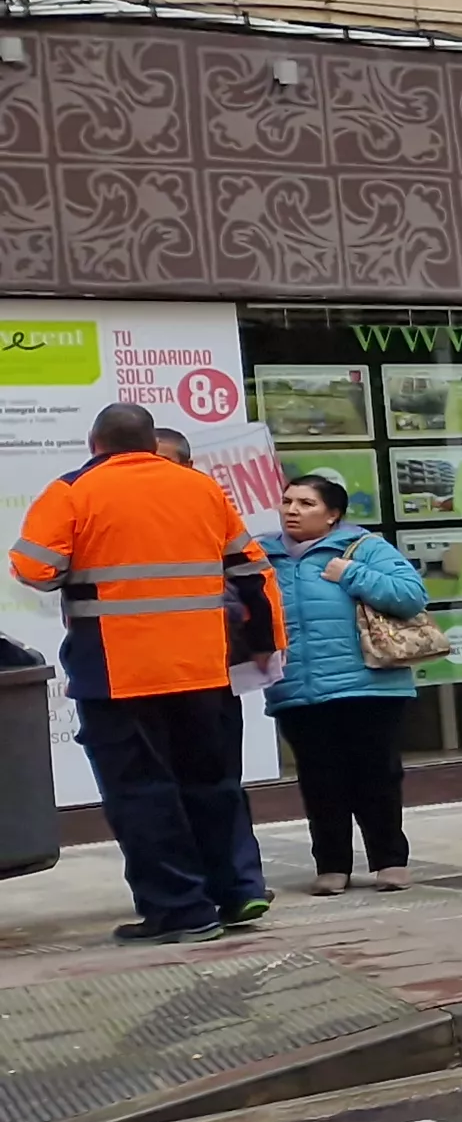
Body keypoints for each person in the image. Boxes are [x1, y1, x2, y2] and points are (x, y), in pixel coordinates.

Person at [13, 403, 281, 942]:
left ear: (96, 443)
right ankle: (235, 892)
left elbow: (34, 567)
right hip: (203, 670)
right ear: (148, 441)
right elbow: (253, 572)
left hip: (119, 673)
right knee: (212, 783)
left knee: (142, 794)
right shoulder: (200, 488)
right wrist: (262, 644)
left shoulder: (72, 491)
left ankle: (181, 910)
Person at [263, 472, 425, 894]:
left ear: (333, 515)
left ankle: (390, 860)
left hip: (368, 685)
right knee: (319, 779)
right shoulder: (263, 555)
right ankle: (331, 865)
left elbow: (410, 595)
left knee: (376, 774)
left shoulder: (363, 548)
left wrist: (351, 573)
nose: (293, 510)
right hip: (298, 688)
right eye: (288, 502)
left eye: (306, 504)